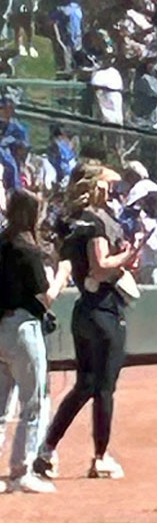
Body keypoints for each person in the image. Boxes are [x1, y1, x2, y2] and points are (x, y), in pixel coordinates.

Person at [33, 162, 140, 481]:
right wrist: (128, 257)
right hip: (104, 310)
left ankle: (47, 450)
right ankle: (101, 457)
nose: (112, 190)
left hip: (85, 311)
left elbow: (76, 266)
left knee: (85, 385)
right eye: (108, 184)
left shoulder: (71, 222)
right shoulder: (94, 222)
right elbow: (100, 266)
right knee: (104, 387)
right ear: (95, 186)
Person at [0, 189, 67, 493]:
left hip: (0, 325)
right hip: (23, 327)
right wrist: (63, 275)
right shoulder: (28, 250)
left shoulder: (2, 242)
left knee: (1, 406)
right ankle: (21, 472)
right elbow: (46, 299)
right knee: (34, 402)